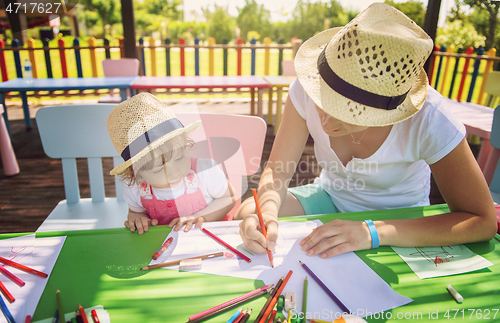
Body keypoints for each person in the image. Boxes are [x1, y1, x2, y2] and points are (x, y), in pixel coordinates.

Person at [236, 3, 497, 259]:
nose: (326, 124)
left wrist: (373, 232)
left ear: (389, 114)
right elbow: (278, 170)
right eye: (322, 101)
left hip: (398, 221)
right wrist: (267, 210)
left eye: (347, 114)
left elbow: (482, 221)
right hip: (329, 196)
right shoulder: (304, 87)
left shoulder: (430, 119)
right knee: (247, 212)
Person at [107, 92, 235, 234]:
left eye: (179, 157)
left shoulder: (204, 170)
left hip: (215, 238)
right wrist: (139, 218)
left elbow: (229, 197)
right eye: (158, 169)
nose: (175, 171)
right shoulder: (136, 188)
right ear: (138, 175)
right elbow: (136, 212)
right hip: (164, 247)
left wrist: (200, 217)